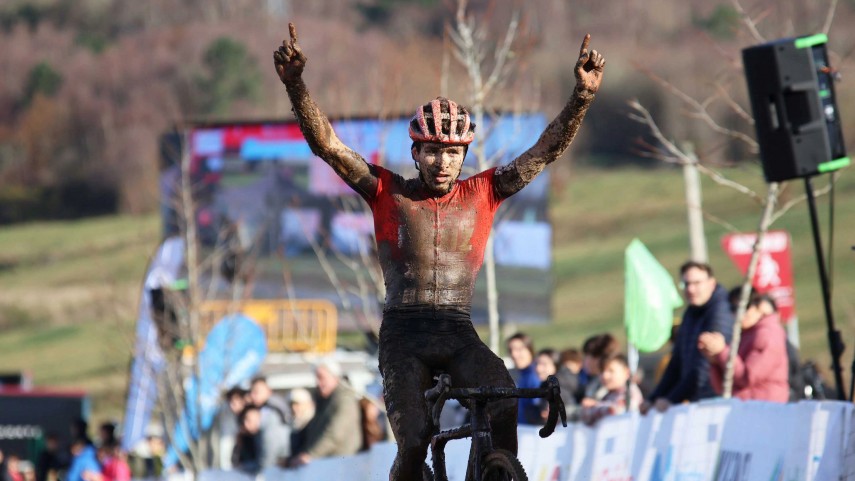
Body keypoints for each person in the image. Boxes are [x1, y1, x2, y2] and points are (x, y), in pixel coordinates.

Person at [274, 22, 604, 480]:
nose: (442, 162)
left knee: (505, 401)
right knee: (413, 444)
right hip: (403, 337)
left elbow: (545, 151)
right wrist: (296, 85)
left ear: (464, 154)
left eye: (452, 152)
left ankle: (497, 470)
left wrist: (582, 97)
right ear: (415, 152)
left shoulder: (484, 191)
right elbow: (328, 146)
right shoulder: (386, 190)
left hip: (457, 331)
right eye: (432, 151)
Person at [642, 261, 733, 413]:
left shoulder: (721, 312)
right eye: (686, 284)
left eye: (697, 283)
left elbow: (704, 365)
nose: (691, 289)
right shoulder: (691, 313)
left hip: (715, 399)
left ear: (711, 283)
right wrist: (654, 398)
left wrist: (671, 399)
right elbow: (676, 362)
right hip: (698, 400)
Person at [699, 289, 789, 402]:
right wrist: (715, 361)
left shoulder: (767, 334)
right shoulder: (744, 334)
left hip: (764, 408)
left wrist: (722, 351)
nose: (739, 314)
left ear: (758, 307)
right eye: (733, 308)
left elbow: (747, 377)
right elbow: (723, 387)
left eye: (745, 308)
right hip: (746, 406)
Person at [288, 361, 361, 466]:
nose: (318, 383)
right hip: (327, 463)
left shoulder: (344, 399)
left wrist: (310, 455)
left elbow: (334, 434)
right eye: (316, 378)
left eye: (321, 377)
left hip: (342, 465)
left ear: (335, 377)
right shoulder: (323, 401)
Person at [580, 353, 643, 425]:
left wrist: (594, 405)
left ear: (626, 372)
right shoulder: (606, 394)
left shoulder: (630, 393)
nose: (605, 376)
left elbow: (616, 411)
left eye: (611, 371)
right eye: (602, 371)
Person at [248, 377, 291, 469]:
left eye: (256, 392)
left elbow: (270, 444)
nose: (252, 396)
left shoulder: (270, 411)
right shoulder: (268, 408)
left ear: (268, 391)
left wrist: (264, 469)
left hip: (276, 467)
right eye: (251, 392)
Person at [507, 333, 542, 425]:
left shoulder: (536, 375)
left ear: (530, 349)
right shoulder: (515, 375)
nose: (514, 354)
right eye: (511, 350)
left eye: (519, 349)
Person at [287, 387, 316, 456]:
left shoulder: (313, 424)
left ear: (308, 404)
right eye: (291, 405)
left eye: (297, 404)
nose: (294, 408)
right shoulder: (292, 424)